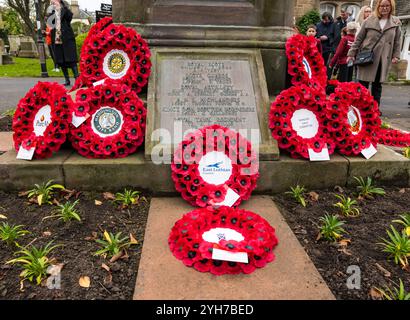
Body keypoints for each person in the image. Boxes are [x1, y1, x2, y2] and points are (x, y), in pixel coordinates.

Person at [347, 0, 401, 107]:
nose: (384, 8)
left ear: (391, 7)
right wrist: (351, 53)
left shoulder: (396, 22)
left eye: (387, 6)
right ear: (378, 7)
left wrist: (396, 55)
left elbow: (397, 41)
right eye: (382, 6)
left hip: (383, 59)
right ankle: (361, 107)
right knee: (363, 84)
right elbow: (359, 39)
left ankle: (375, 109)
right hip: (368, 56)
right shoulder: (369, 20)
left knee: (377, 86)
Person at [49, 0, 79, 86]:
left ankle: (77, 79)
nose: (52, 3)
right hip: (57, 38)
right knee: (60, 60)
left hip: (66, 37)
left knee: (71, 59)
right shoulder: (52, 12)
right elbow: (50, 23)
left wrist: (61, 8)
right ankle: (67, 80)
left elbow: (70, 17)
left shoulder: (65, 10)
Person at [316, 12, 335, 78]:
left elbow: (335, 36)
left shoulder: (333, 25)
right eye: (323, 20)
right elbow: (315, 33)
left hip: (329, 48)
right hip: (319, 48)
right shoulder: (318, 25)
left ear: (330, 19)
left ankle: (327, 79)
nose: (324, 21)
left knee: (327, 66)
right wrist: (319, 37)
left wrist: (328, 37)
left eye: (326, 20)